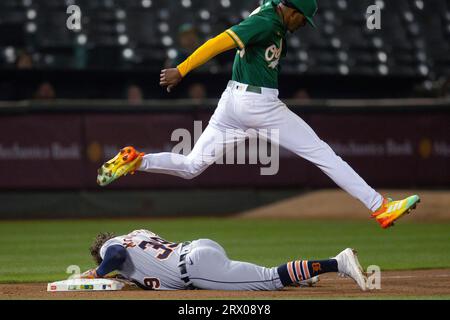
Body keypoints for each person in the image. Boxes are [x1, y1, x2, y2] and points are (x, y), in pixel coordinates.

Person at [96, 0, 420, 229]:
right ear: (290, 9)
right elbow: (217, 43)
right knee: (322, 153)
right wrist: (182, 69)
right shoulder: (266, 21)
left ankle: (137, 160)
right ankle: (380, 207)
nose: (302, 25)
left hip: (231, 102)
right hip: (259, 104)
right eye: (301, 18)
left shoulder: (272, 11)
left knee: (192, 166)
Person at [81, 229, 368, 291]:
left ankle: (337, 262)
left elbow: (116, 256)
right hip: (199, 247)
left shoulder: (113, 249)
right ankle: (303, 276)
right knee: (255, 275)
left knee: (269, 278)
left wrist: (98, 272)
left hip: (195, 268)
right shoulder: (137, 234)